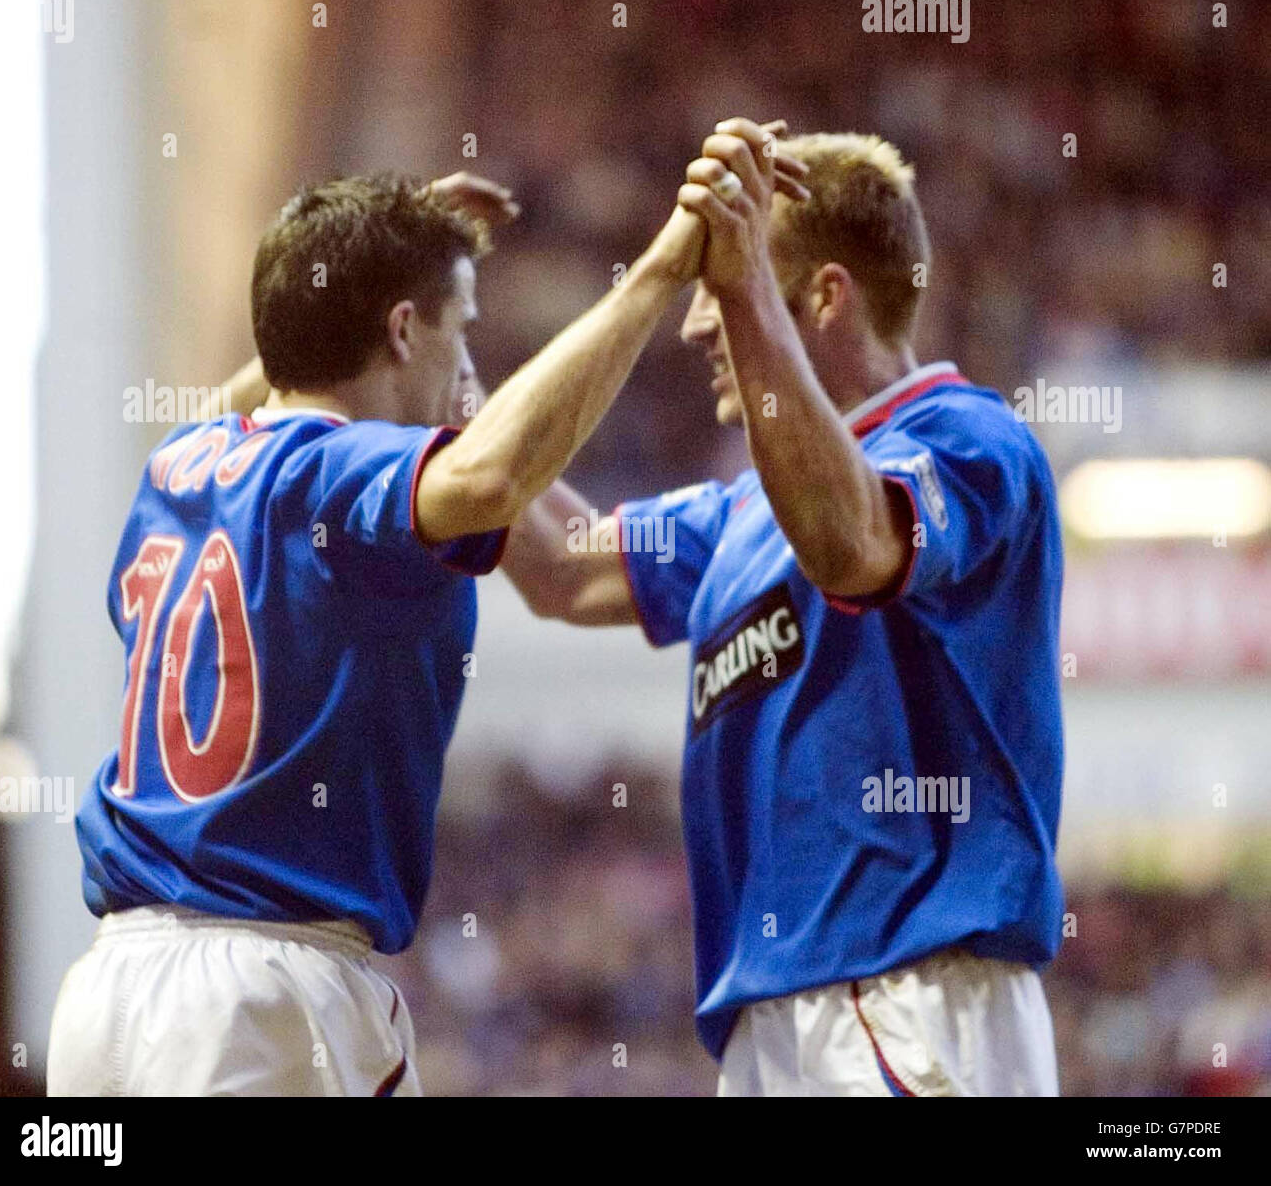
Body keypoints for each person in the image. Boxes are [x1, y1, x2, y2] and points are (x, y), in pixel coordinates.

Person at [46, 154, 804, 1097]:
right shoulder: (347, 473)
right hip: (264, 990)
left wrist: (359, 271)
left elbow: (281, 378)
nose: (467, 368)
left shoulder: (184, 462)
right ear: (404, 330)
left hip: (107, 996)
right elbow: (487, 478)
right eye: (462, 329)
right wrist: (657, 273)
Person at [503, 121, 1065, 1096]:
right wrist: (442, 402)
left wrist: (742, 287)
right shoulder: (740, 511)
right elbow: (560, 565)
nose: (694, 326)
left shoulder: (973, 440)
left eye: (719, 289)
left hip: (910, 992)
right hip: (772, 1021)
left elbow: (854, 548)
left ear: (821, 295)